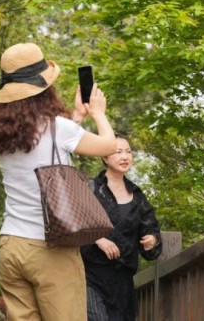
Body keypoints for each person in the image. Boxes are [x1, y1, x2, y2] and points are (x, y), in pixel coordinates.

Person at [0, 42, 117, 320]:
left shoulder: (2, 136)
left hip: (11, 245)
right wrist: (98, 113)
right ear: (45, 88)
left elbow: (44, 146)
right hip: (50, 246)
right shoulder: (59, 128)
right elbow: (108, 146)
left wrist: (76, 116)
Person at [81, 135, 162, 321]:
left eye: (128, 151)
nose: (125, 156)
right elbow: (74, 222)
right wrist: (98, 239)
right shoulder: (91, 188)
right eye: (118, 152)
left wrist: (151, 240)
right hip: (91, 277)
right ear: (105, 157)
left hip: (123, 284)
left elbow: (151, 229)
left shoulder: (137, 195)